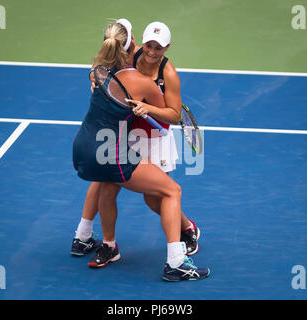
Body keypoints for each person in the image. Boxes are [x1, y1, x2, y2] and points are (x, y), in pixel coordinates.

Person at [72, 21, 210, 281]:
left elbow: (172, 115)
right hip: (123, 140)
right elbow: (116, 42)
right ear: (136, 44)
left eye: (159, 47)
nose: (152, 51)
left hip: (152, 138)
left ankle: (186, 228)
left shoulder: (165, 72)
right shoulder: (128, 63)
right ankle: (118, 248)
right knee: (115, 187)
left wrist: (147, 108)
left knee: (153, 197)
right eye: (148, 45)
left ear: (167, 47)